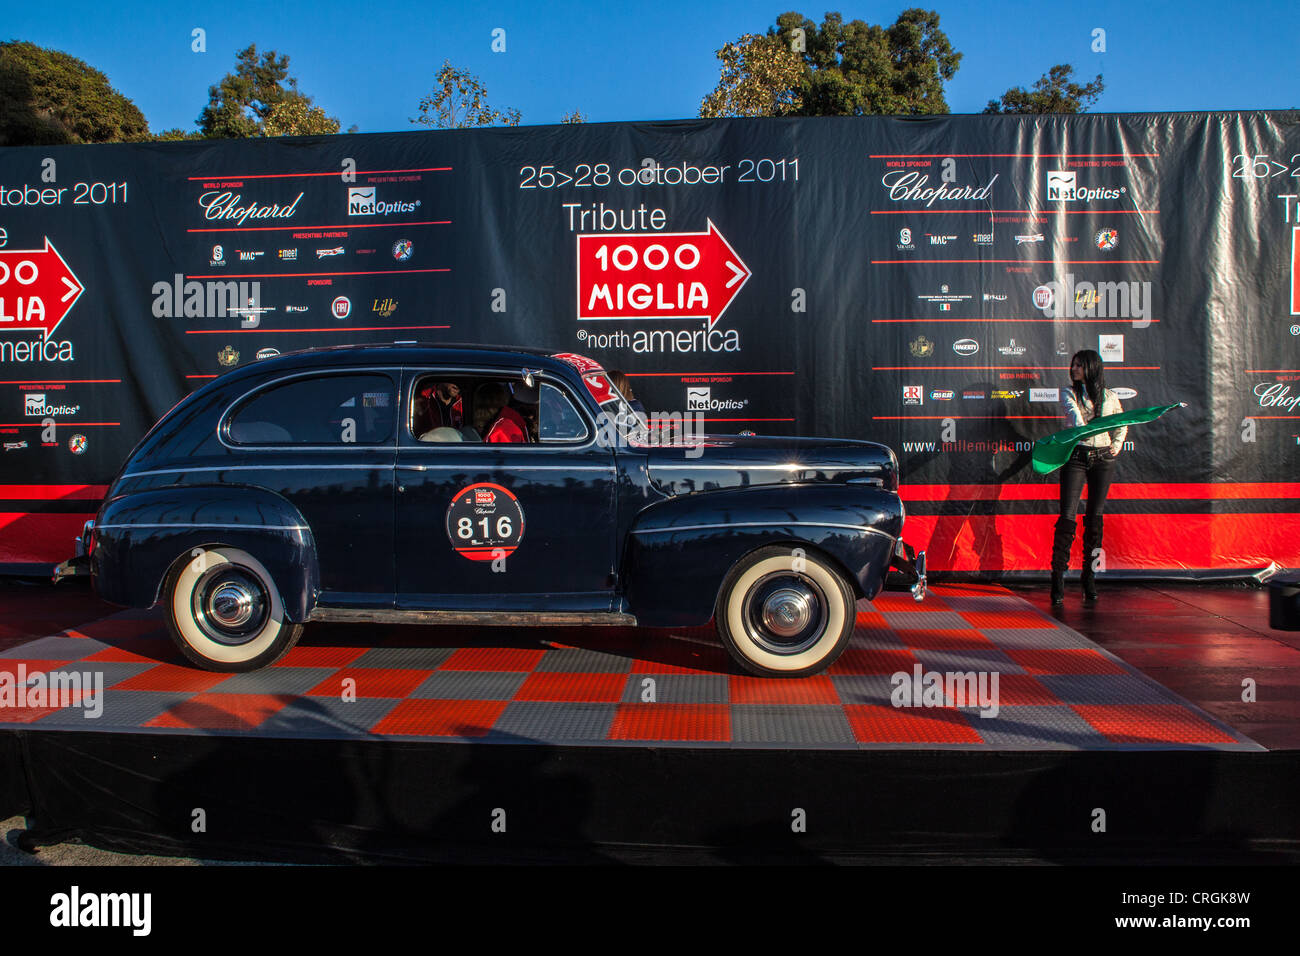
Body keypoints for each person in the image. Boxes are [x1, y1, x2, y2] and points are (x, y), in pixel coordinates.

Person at [1050, 349, 1127, 606]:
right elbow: (1075, 420)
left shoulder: (1110, 397)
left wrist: (1113, 448)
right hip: (1076, 457)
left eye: (1079, 366)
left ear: (1092, 368)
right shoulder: (1068, 393)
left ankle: (1088, 576)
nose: (1074, 370)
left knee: (1095, 519)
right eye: (1073, 366)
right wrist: (1086, 428)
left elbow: (1122, 423)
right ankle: (1058, 578)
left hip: (1103, 459)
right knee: (1067, 517)